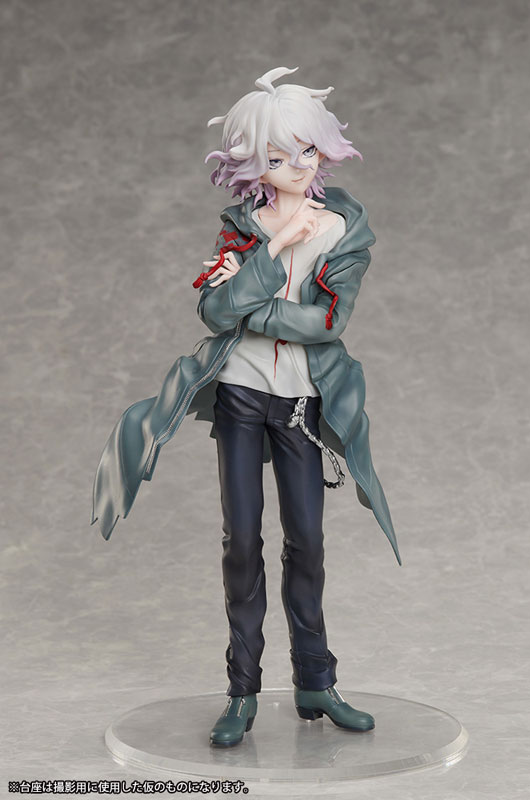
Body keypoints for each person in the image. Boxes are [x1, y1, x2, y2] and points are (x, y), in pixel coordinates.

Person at [92, 66, 401, 749]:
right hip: (238, 394)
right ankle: (242, 691)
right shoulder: (242, 228)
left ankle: (316, 681)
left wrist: (251, 305)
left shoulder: (342, 229)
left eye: (307, 150)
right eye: (278, 156)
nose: (298, 165)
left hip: (300, 404)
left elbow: (328, 323)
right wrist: (276, 250)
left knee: (308, 541)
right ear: (252, 164)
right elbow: (212, 311)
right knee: (241, 543)